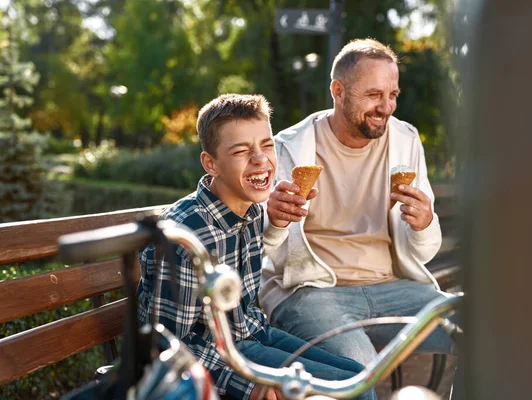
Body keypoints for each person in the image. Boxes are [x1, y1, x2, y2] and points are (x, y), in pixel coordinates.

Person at [136, 94, 376, 400]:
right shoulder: (185, 237)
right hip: (219, 355)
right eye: (241, 151)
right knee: (348, 393)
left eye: (267, 145)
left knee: (357, 378)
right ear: (211, 164)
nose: (261, 159)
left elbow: (245, 311)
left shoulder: (250, 212)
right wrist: (247, 386)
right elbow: (167, 347)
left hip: (251, 333)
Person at [260, 39, 457, 367]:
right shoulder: (287, 147)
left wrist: (423, 224)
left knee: (481, 335)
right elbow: (267, 250)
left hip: (391, 287)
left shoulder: (406, 140)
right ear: (338, 91)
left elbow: (423, 252)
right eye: (373, 95)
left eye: (392, 94)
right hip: (311, 291)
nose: (387, 106)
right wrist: (275, 220)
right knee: (360, 365)